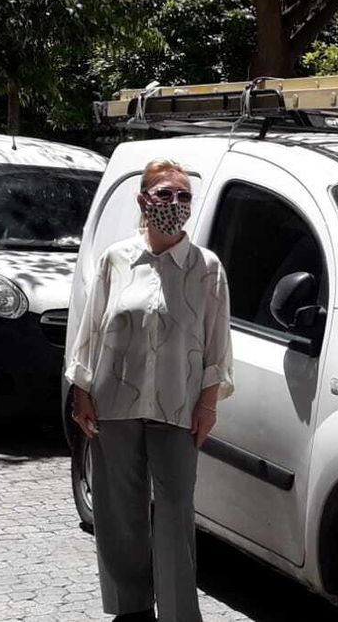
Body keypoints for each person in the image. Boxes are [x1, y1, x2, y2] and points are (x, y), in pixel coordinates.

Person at [65, 158, 234, 622]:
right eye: (164, 195)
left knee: (176, 508)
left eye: (183, 197)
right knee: (120, 512)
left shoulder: (206, 268)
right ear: (143, 200)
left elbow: (218, 345)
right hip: (114, 400)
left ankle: (178, 613)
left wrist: (208, 403)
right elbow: (90, 328)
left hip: (178, 405)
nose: (174, 205)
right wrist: (81, 389)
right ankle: (130, 608)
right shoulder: (116, 259)